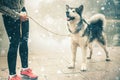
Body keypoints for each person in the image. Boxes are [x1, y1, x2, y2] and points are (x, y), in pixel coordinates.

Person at [0, 0, 38, 80]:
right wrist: (17, 15)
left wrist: (22, 10)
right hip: (10, 16)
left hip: (23, 12)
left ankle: (25, 69)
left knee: (24, 41)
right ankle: (12, 75)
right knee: (14, 43)